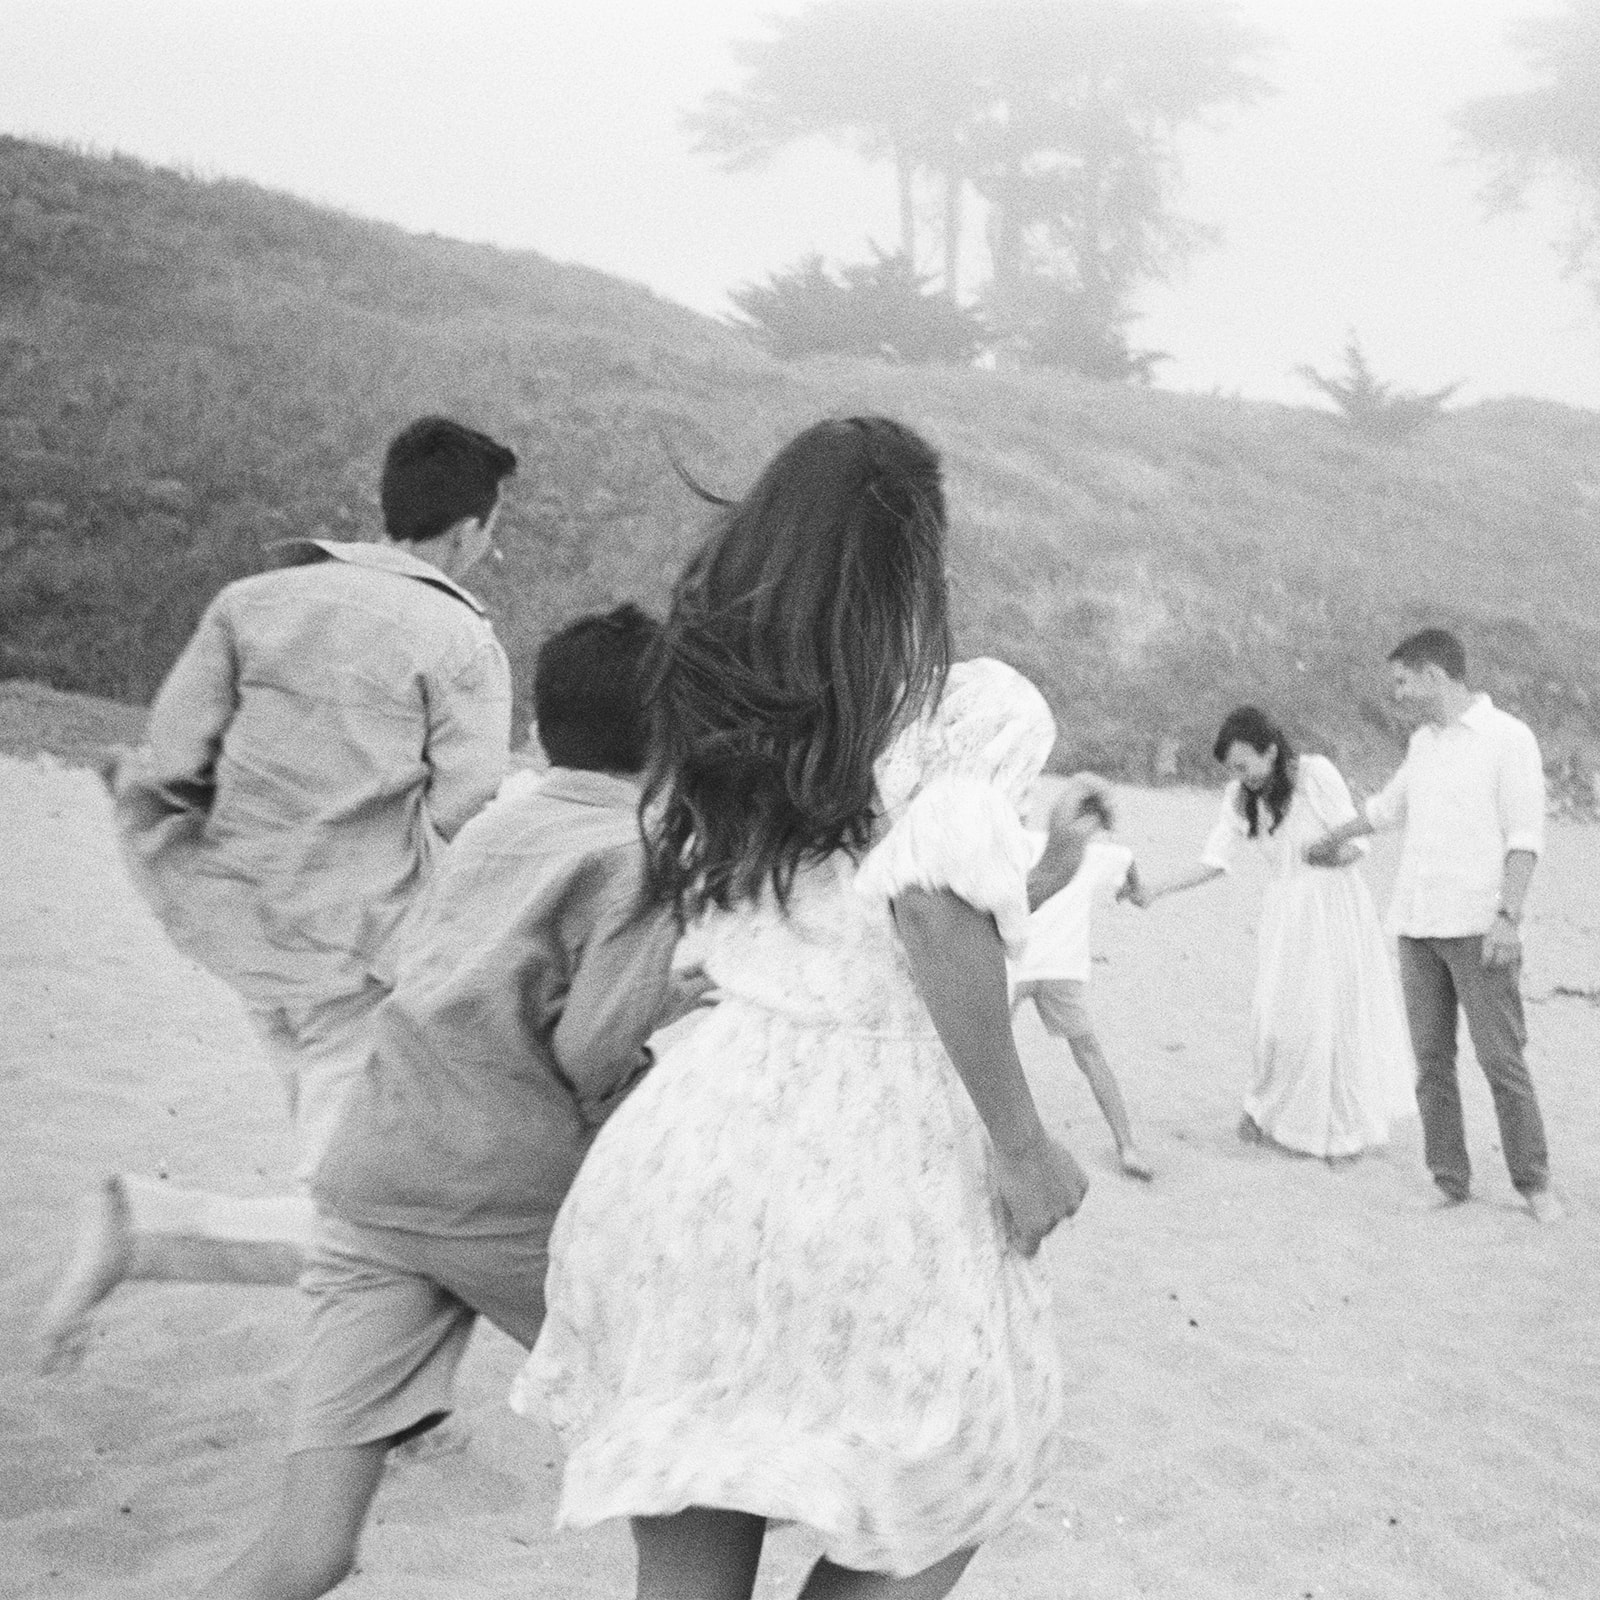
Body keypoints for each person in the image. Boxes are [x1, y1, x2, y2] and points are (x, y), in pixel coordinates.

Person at [513, 417, 1094, 1600]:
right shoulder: (967, 711)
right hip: (873, 1159)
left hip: (698, 1145)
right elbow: (931, 903)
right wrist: (1024, 1146)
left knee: (693, 1499)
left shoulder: (712, 711)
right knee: (961, 1471)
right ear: (916, 558)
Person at [194, 605, 698, 1600]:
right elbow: (589, 1050)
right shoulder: (638, 857)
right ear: (678, 737)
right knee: (683, 1471)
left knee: (307, 1552)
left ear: (543, 726)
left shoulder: (501, 817)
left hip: (372, 1178)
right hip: (501, 1197)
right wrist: (680, 992)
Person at [35, 416, 519, 1372]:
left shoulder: (251, 599)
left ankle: (402, 1414)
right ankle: (144, 1228)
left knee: (355, 1189)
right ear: (468, 530)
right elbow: (469, 813)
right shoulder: (459, 636)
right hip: (366, 962)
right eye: (494, 525)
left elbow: (174, 763)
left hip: (249, 938)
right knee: (376, 1226)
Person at [1304, 630, 1562, 1221]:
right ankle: (1449, 1177)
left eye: (1402, 680)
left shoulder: (1508, 738)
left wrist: (1508, 918)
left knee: (1502, 1059)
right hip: (1417, 926)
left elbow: (1525, 838)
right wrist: (1328, 841)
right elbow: (1383, 810)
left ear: (1434, 675)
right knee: (1431, 1061)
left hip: (1480, 926)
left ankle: (1535, 1182)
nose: (1396, 694)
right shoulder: (1423, 742)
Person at [1130, 707, 1415, 1160]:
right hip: (1286, 913)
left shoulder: (1316, 774)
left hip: (1334, 907)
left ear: (1272, 751)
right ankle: (1265, 1110)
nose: (1242, 778)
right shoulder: (1239, 798)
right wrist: (1154, 890)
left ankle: (1338, 1134)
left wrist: (1333, 855)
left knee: (1332, 1019)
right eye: (1232, 770)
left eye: (1246, 766)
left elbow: (1359, 840)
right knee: (1274, 1020)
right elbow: (1214, 860)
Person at [1009, 788, 1154, 1180]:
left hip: (1018, 966)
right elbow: (1129, 864)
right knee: (1090, 1056)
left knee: (990, 1052)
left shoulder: (1029, 842)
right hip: (1059, 969)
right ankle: (1128, 1146)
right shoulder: (1103, 854)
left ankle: (1126, 1145)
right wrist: (1134, 891)